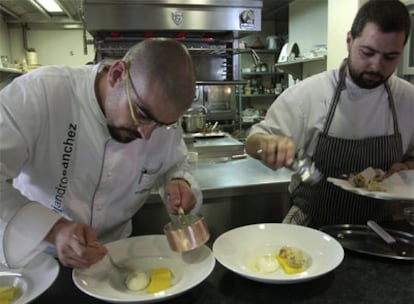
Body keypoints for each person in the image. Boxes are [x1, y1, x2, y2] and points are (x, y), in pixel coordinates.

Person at [0, 38, 202, 269]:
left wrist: (179, 182)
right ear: (117, 75)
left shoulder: (158, 119)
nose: (147, 135)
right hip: (41, 259)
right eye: (141, 114)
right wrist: (54, 230)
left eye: (162, 124)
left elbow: (174, 164)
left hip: (116, 258)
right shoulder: (39, 93)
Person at [246, 0, 414, 227]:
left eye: (390, 57)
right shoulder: (308, 94)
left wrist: (407, 166)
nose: (376, 65)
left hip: (382, 229)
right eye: (368, 52)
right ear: (349, 41)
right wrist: (267, 144)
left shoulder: (408, 99)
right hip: (315, 223)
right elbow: (253, 141)